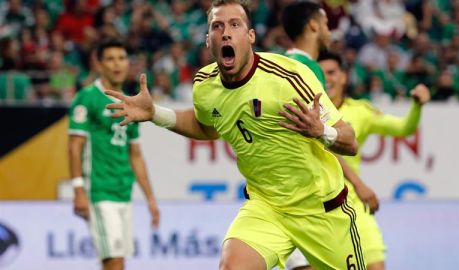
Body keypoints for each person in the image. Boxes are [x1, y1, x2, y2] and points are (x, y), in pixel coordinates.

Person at [105, 1, 365, 269]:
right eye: (217, 26)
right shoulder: (205, 86)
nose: (225, 32)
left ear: (250, 36)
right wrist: (154, 113)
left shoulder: (289, 77)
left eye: (234, 24)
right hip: (267, 209)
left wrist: (322, 131)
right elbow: (206, 126)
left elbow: (350, 140)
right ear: (208, 40)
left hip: (321, 209)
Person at [308, 51, 427, 270]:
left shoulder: (360, 111)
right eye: (322, 73)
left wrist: (417, 106)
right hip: (317, 208)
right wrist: (360, 183)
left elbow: (404, 128)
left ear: (344, 77)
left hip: (354, 205)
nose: (328, 78)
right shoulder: (309, 114)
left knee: (376, 266)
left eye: (332, 72)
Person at [68, 39, 160, 270]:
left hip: (123, 191)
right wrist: (78, 189)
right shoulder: (87, 98)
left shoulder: (131, 103)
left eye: (121, 58)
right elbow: (74, 146)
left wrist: (150, 199)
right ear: (98, 65)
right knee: (114, 262)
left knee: (118, 262)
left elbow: (136, 155)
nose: (117, 64)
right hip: (98, 190)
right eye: (110, 59)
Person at [282, 1, 330, 88]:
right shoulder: (309, 67)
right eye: (325, 24)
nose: (329, 33)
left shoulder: (282, 62)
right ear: (314, 25)